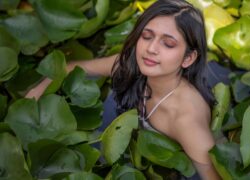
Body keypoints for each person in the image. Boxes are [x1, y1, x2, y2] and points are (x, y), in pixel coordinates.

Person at [26, 0, 220, 179]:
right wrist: (37, 89)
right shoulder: (130, 65)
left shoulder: (187, 121)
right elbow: (76, 68)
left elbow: (213, 175)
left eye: (168, 44)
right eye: (147, 36)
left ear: (188, 58)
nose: (151, 48)